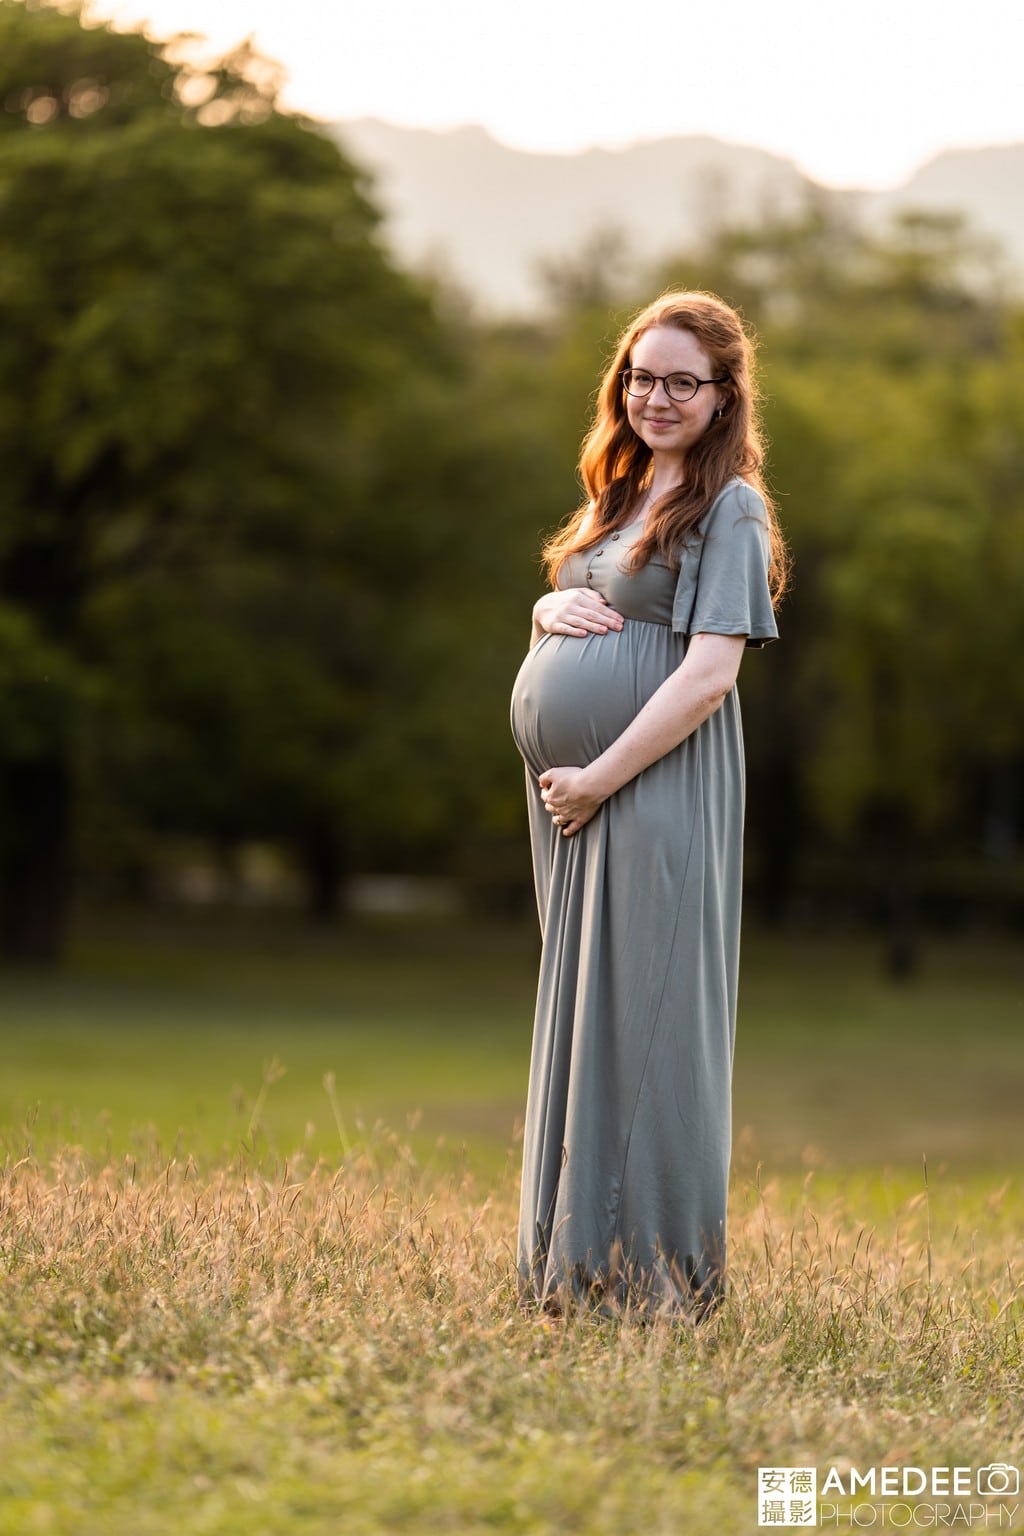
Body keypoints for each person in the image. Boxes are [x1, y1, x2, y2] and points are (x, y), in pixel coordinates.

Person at [509, 289, 787, 1319]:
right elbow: (578, 596)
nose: (656, 396)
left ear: (723, 397)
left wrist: (595, 776)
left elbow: (709, 673)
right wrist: (546, 603)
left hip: (649, 793)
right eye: (641, 376)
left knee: (647, 1025)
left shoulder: (729, 509)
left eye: (682, 381)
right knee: (588, 1023)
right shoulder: (622, 491)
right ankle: (570, 1269)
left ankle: (651, 1285)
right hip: (583, 805)